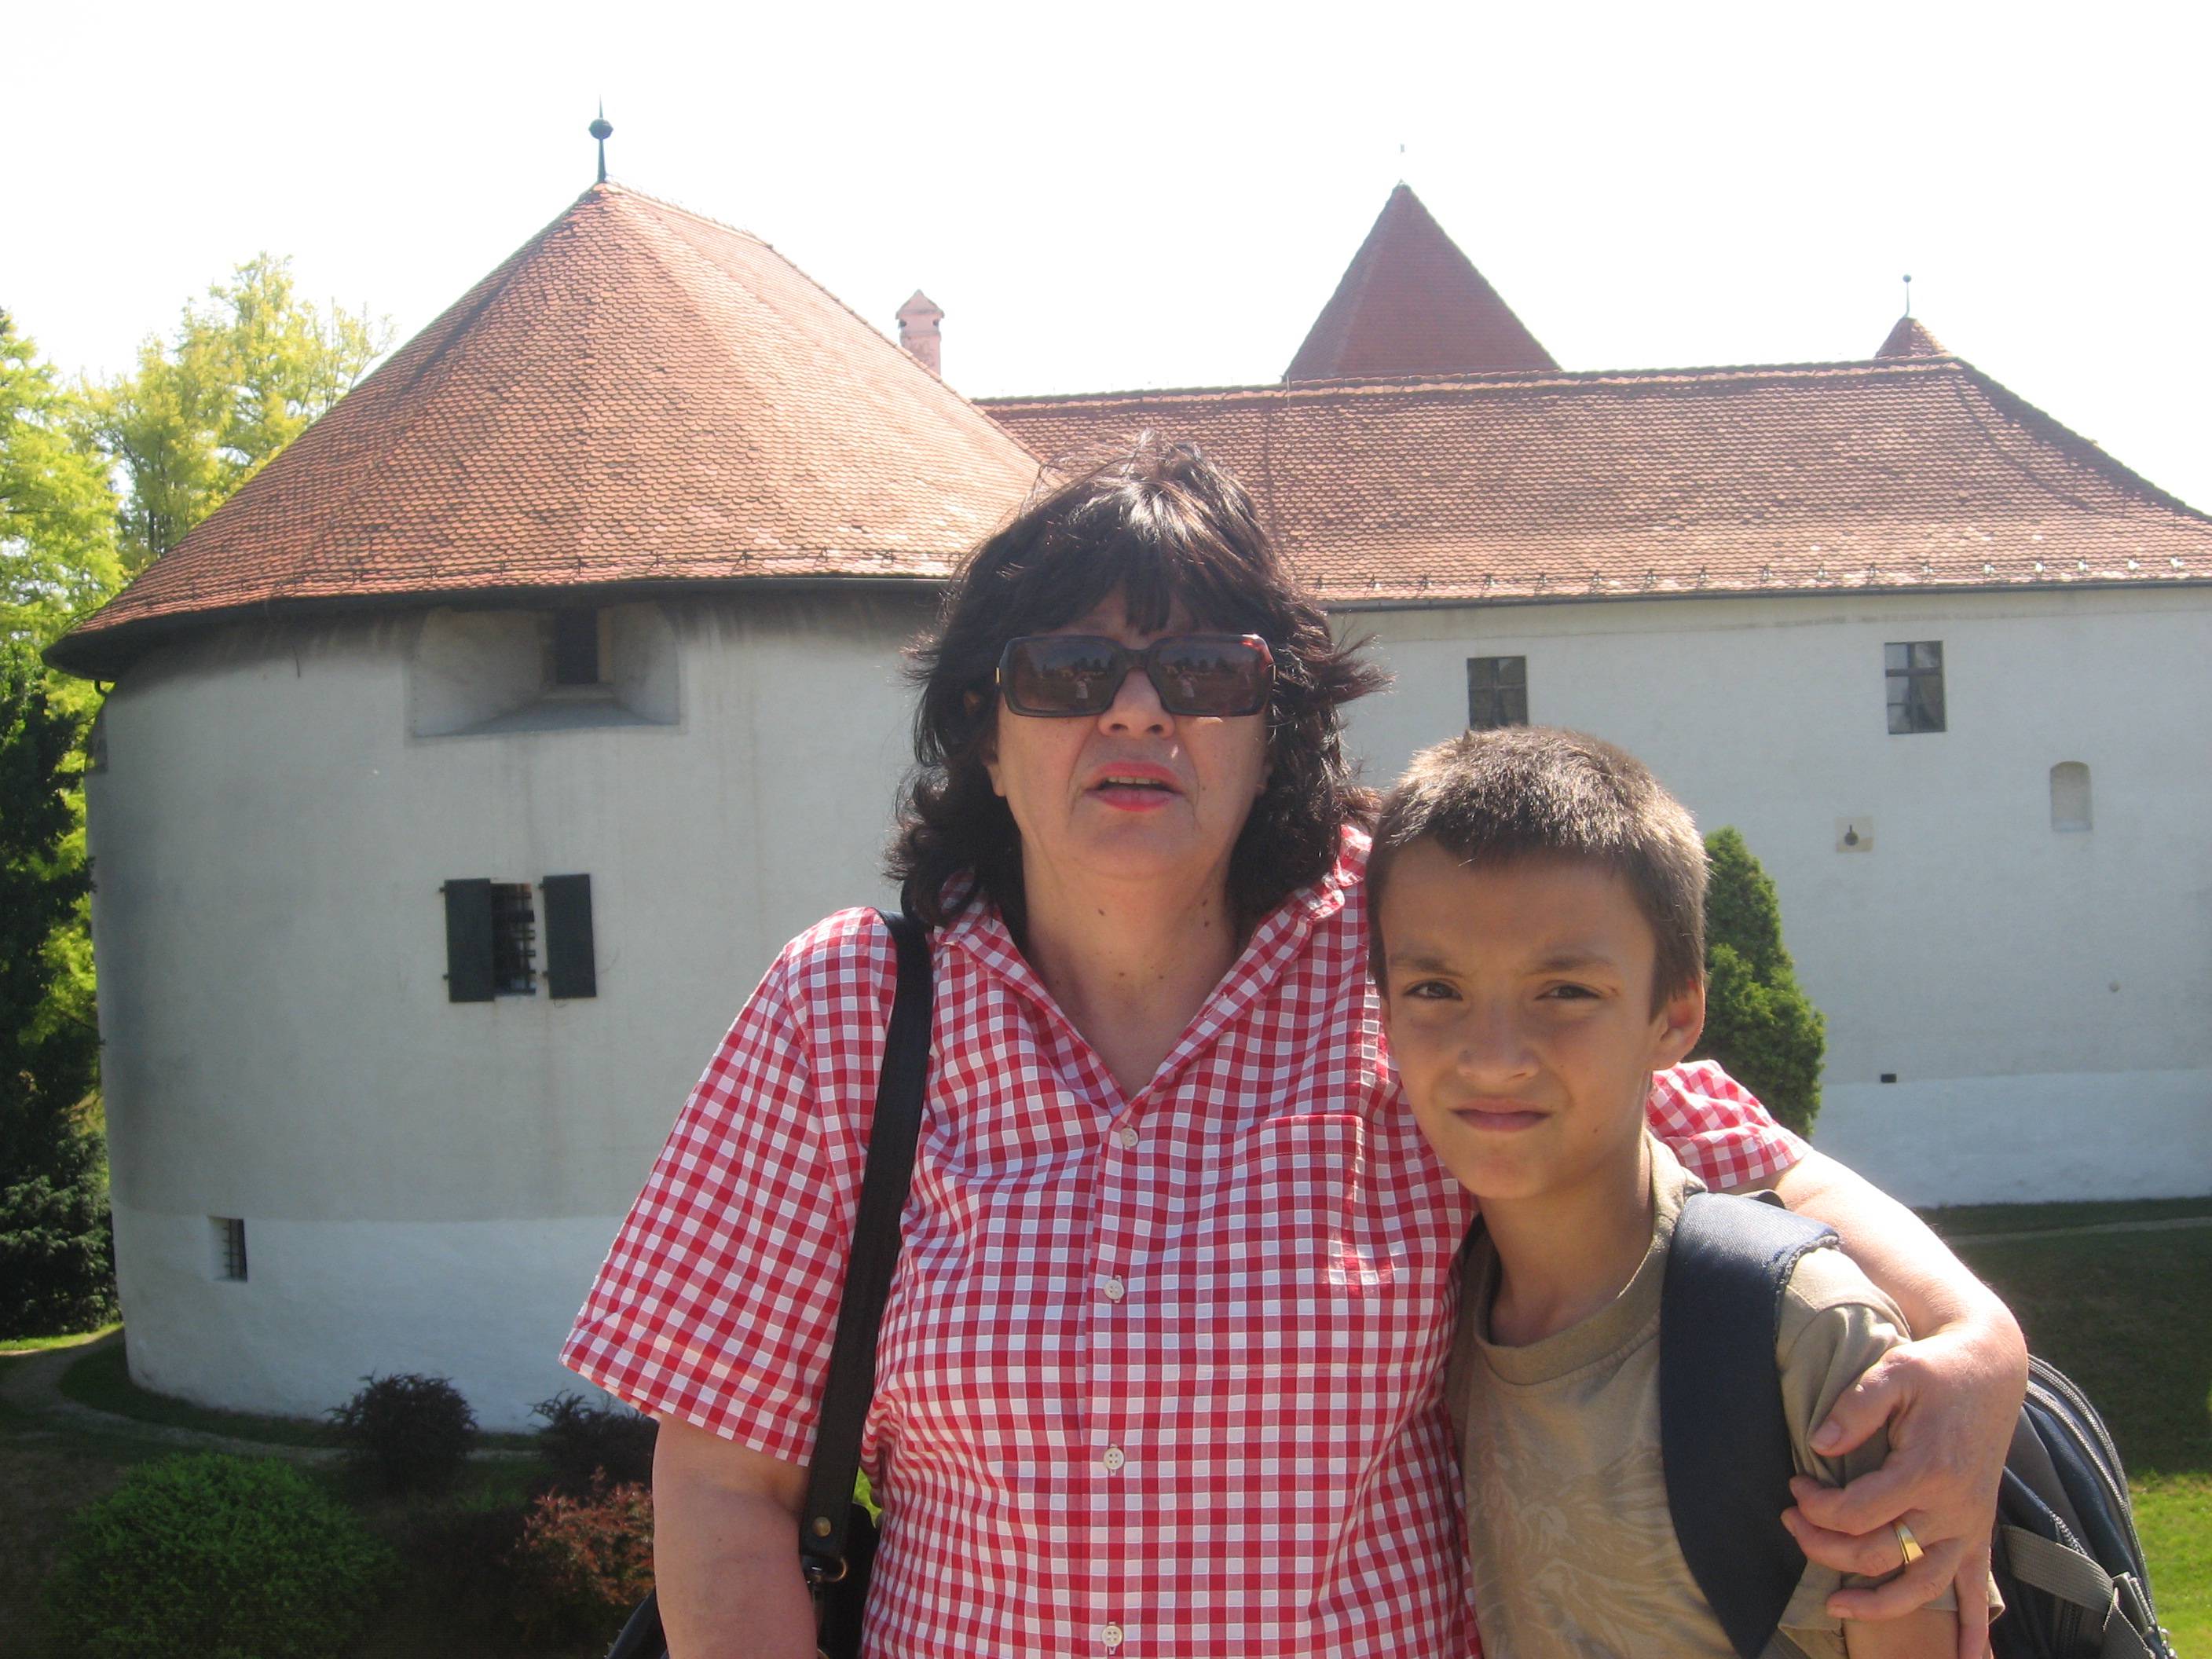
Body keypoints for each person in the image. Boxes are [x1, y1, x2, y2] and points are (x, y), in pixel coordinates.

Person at [561, 438, 2026, 1659]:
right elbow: (727, 1487)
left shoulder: (1403, 957)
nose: (1138, 708)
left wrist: (1979, 1346)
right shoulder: (850, 1012)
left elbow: (1750, 1163)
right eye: (1068, 670)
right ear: (984, 731)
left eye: (1204, 672)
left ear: (1274, 731)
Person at [1369, 727, 1996, 1659]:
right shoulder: (1437, 1331)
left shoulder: (1800, 1336)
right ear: (1381, 1010)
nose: (1493, 1058)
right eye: (1434, 989)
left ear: (1675, 1016)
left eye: (1564, 992)